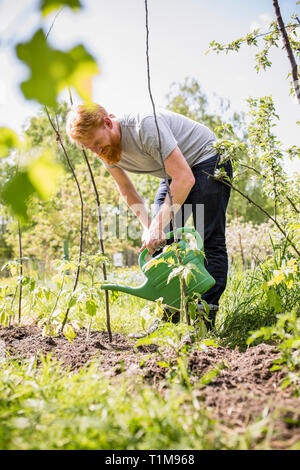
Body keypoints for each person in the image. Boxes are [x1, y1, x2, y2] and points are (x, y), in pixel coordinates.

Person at [66, 103, 232, 332]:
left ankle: (204, 320)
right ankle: (169, 318)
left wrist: (157, 226)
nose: (97, 152)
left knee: (209, 239)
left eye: (96, 144)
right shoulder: (104, 149)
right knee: (162, 246)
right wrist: (151, 229)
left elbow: (185, 179)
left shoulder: (143, 125)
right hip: (174, 170)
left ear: (107, 123)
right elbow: (127, 190)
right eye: (89, 148)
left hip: (207, 158)